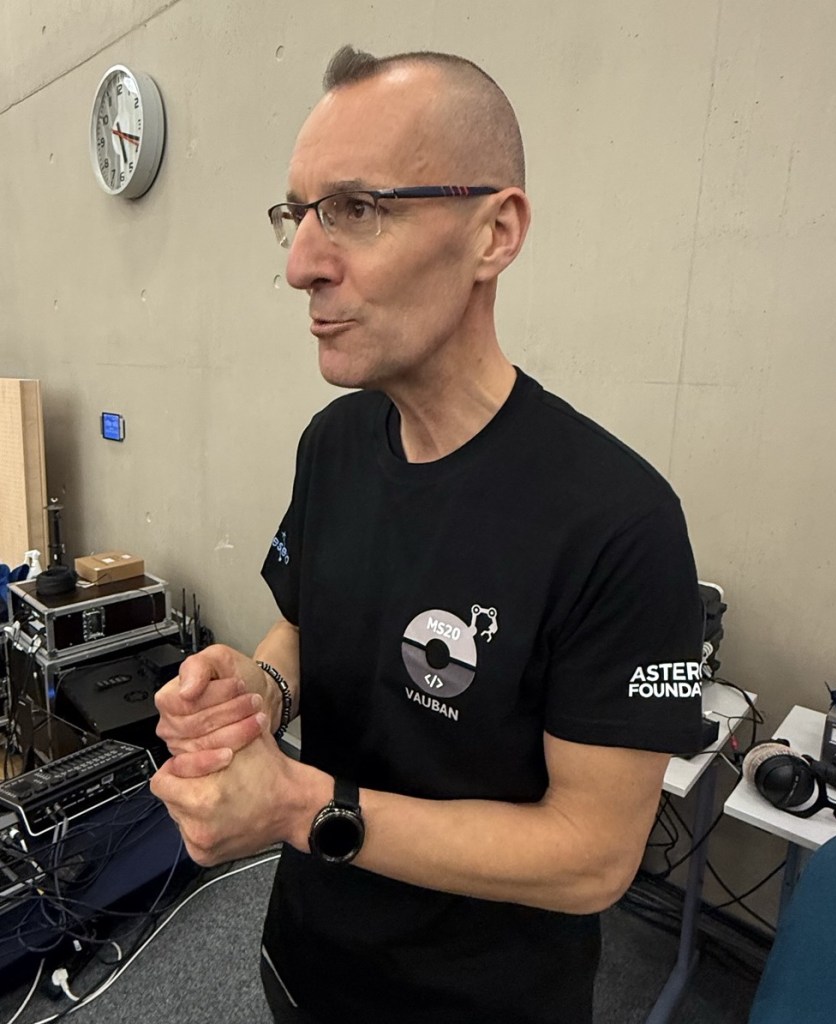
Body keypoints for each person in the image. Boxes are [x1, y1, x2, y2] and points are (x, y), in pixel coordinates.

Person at [150, 44, 704, 1024]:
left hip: (477, 998)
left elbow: (593, 855)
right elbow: (308, 626)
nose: (300, 265)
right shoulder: (334, 442)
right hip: (307, 954)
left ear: (495, 232)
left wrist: (298, 806)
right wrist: (259, 690)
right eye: (299, 214)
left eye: (357, 209)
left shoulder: (618, 521)